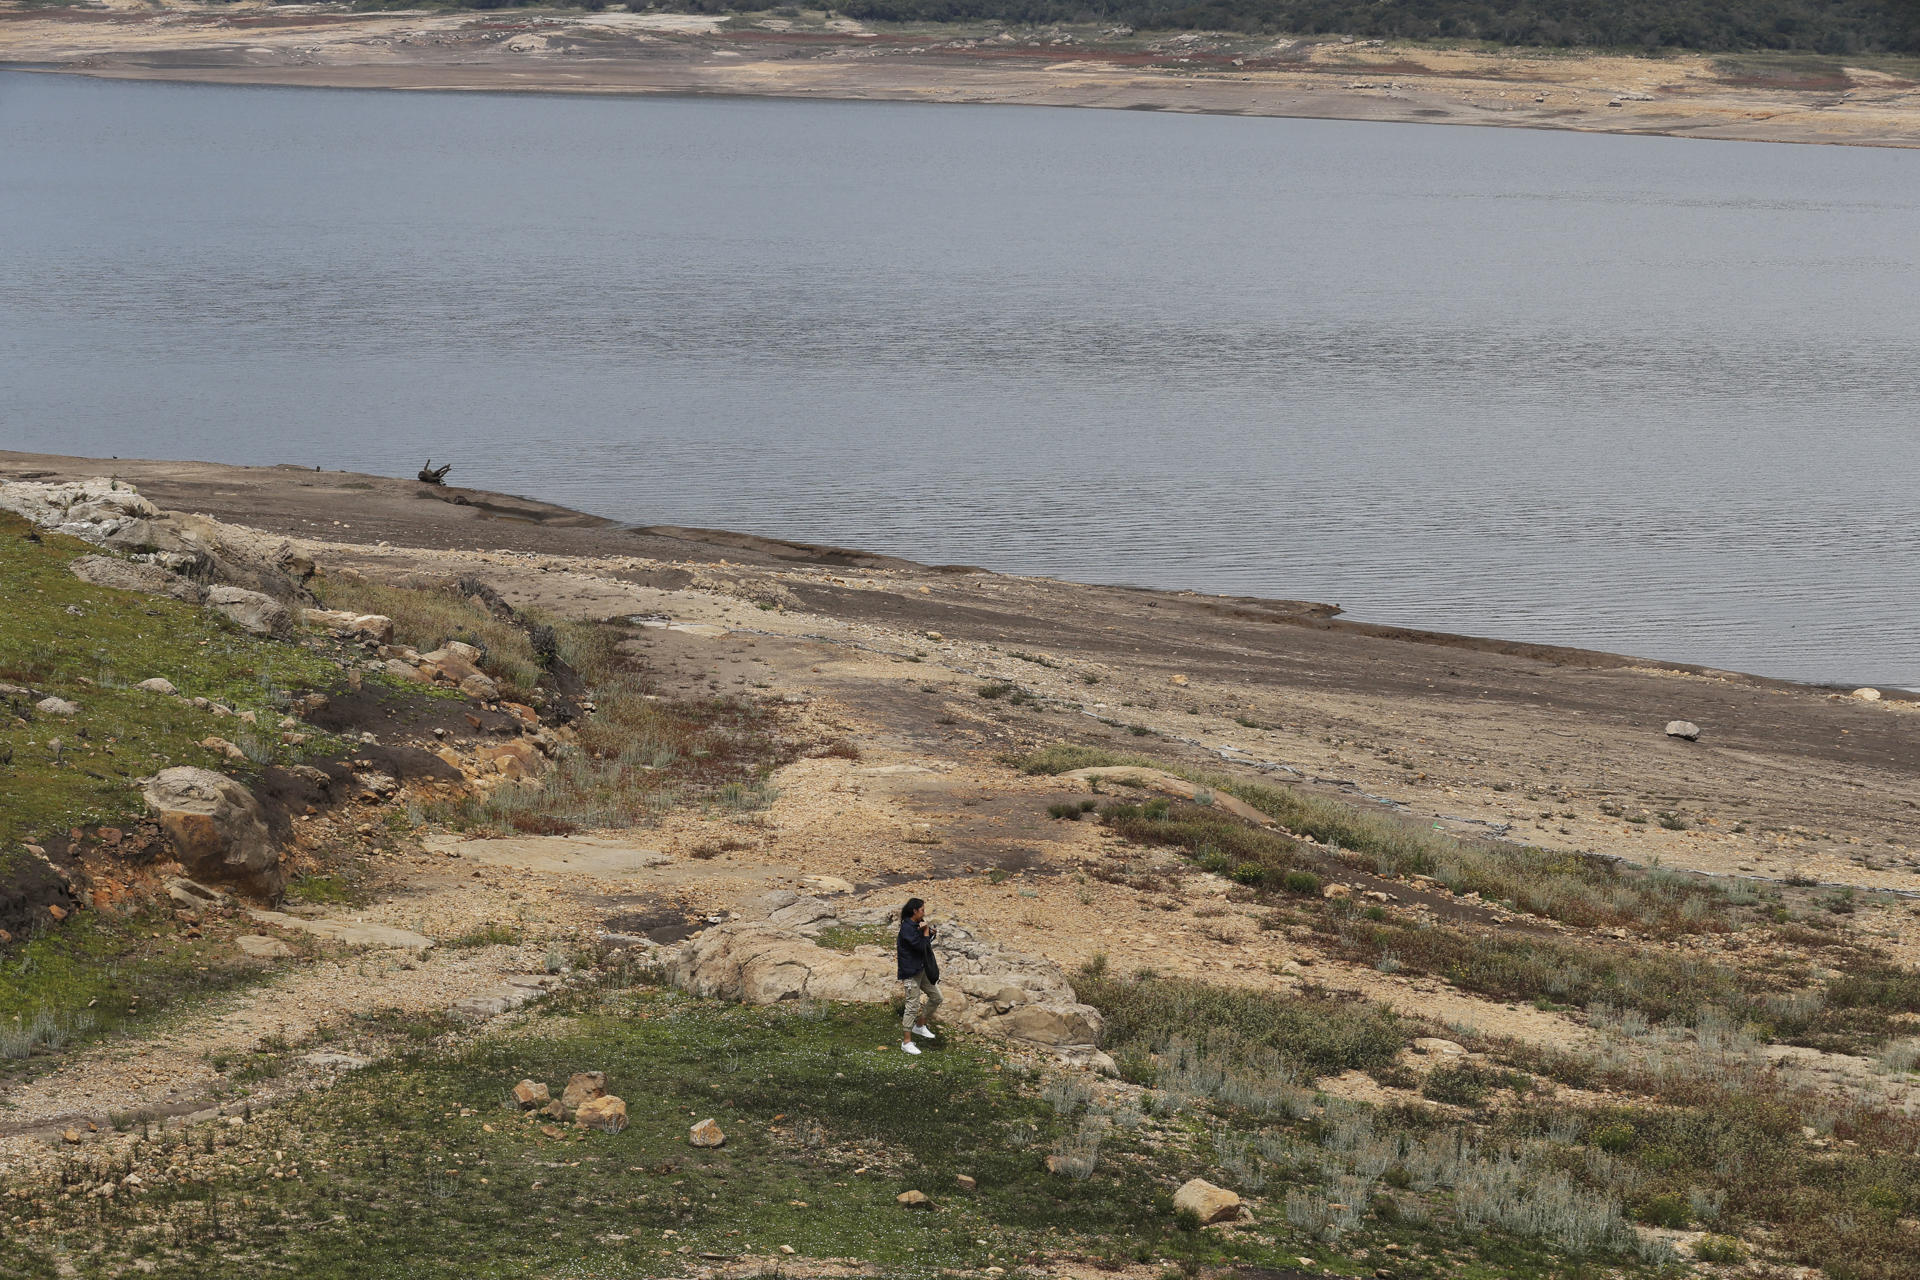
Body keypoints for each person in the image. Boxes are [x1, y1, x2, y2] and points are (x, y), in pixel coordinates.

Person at [896, 896, 942, 1055]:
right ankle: (906, 1042)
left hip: (921, 970)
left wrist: (929, 933)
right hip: (910, 973)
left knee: (937, 997)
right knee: (912, 1005)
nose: (924, 912)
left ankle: (920, 1025)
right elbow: (920, 946)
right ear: (914, 910)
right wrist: (926, 932)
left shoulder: (916, 925)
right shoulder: (907, 928)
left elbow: (925, 942)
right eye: (922, 910)